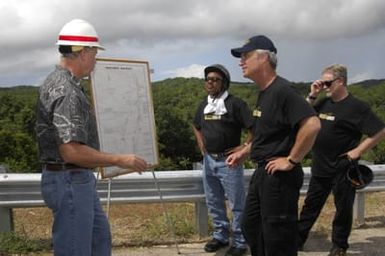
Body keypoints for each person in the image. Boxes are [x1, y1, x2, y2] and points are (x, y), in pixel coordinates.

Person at [36, 19, 148, 256]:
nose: (96, 59)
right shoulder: (67, 91)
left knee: (98, 242)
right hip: (70, 179)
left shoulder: (59, 82)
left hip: (72, 179)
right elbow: (72, 151)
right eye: (95, 52)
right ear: (83, 53)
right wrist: (120, 159)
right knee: (76, 249)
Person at [228, 35, 321, 256]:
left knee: (278, 237)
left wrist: (291, 160)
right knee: (251, 226)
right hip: (264, 172)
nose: (241, 61)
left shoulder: (283, 90)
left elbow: (312, 125)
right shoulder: (265, 92)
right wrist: (246, 151)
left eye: (246, 56)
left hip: (279, 177)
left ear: (263, 58)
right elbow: (268, 133)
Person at [298, 64, 385, 256]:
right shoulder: (322, 103)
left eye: (327, 83)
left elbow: (380, 130)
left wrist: (358, 150)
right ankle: (298, 239)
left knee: (343, 209)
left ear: (341, 81)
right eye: (322, 83)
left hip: (343, 167)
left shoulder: (357, 107)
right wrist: (313, 94)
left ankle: (339, 246)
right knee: (310, 205)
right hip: (320, 165)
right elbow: (302, 113)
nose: (324, 86)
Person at [193, 64, 254, 256]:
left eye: (215, 79)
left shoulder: (235, 104)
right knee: (213, 201)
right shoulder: (205, 104)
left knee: (236, 204)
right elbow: (196, 125)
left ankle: (239, 241)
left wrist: (245, 147)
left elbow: (255, 128)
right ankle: (220, 236)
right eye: (208, 79)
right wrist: (201, 143)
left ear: (224, 83)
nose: (210, 82)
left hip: (229, 161)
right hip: (209, 161)